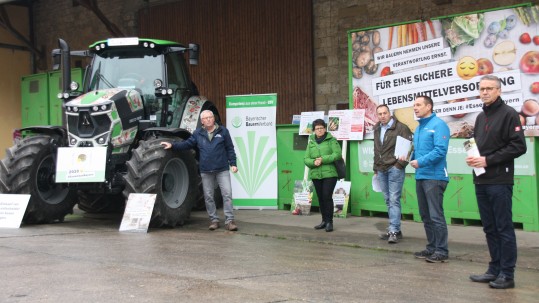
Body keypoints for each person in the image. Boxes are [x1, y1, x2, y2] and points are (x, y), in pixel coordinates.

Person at [466, 75, 527, 289]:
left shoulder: (509, 114)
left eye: (489, 88)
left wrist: (487, 160)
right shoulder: (481, 117)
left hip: (500, 180)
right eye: (481, 89)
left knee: (503, 227)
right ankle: (494, 269)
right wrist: (474, 158)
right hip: (481, 179)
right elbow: (481, 146)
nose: (484, 92)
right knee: (489, 228)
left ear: (499, 91)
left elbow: (519, 147)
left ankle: (507, 274)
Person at [160, 110, 239, 231]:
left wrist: (233, 164)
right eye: (205, 118)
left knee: (227, 194)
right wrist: (173, 145)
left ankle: (230, 221)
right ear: (202, 121)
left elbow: (230, 148)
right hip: (206, 171)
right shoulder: (198, 133)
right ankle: (214, 220)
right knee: (208, 196)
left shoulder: (223, 131)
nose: (208, 119)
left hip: (222, 169)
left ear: (214, 119)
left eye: (210, 117)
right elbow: (187, 144)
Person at [410, 95, 450, 263]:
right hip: (421, 176)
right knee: (425, 215)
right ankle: (431, 247)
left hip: (435, 177)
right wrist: (408, 157)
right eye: (414, 105)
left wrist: (421, 162)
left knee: (436, 215)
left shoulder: (439, 125)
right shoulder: (419, 128)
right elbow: (418, 151)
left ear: (429, 107)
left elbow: (440, 150)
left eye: (418, 105)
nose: (415, 108)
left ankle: (442, 250)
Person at [373, 104, 413, 244]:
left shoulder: (401, 127)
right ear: (377, 115)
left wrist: (398, 166)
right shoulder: (377, 128)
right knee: (387, 200)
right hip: (381, 169)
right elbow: (376, 149)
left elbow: (409, 148)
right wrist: (375, 168)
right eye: (380, 114)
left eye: (385, 113)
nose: (382, 116)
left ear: (389, 113)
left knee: (394, 199)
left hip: (394, 168)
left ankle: (394, 230)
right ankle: (395, 229)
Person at [304, 119, 342, 232]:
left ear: (325, 129)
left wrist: (323, 159)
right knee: (320, 198)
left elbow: (338, 154)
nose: (319, 130)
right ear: (314, 130)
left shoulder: (331, 140)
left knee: (326, 196)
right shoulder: (311, 142)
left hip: (329, 173)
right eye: (317, 129)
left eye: (321, 128)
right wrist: (313, 162)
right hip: (316, 174)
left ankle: (330, 222)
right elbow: (306, 159)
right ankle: (324, 221)